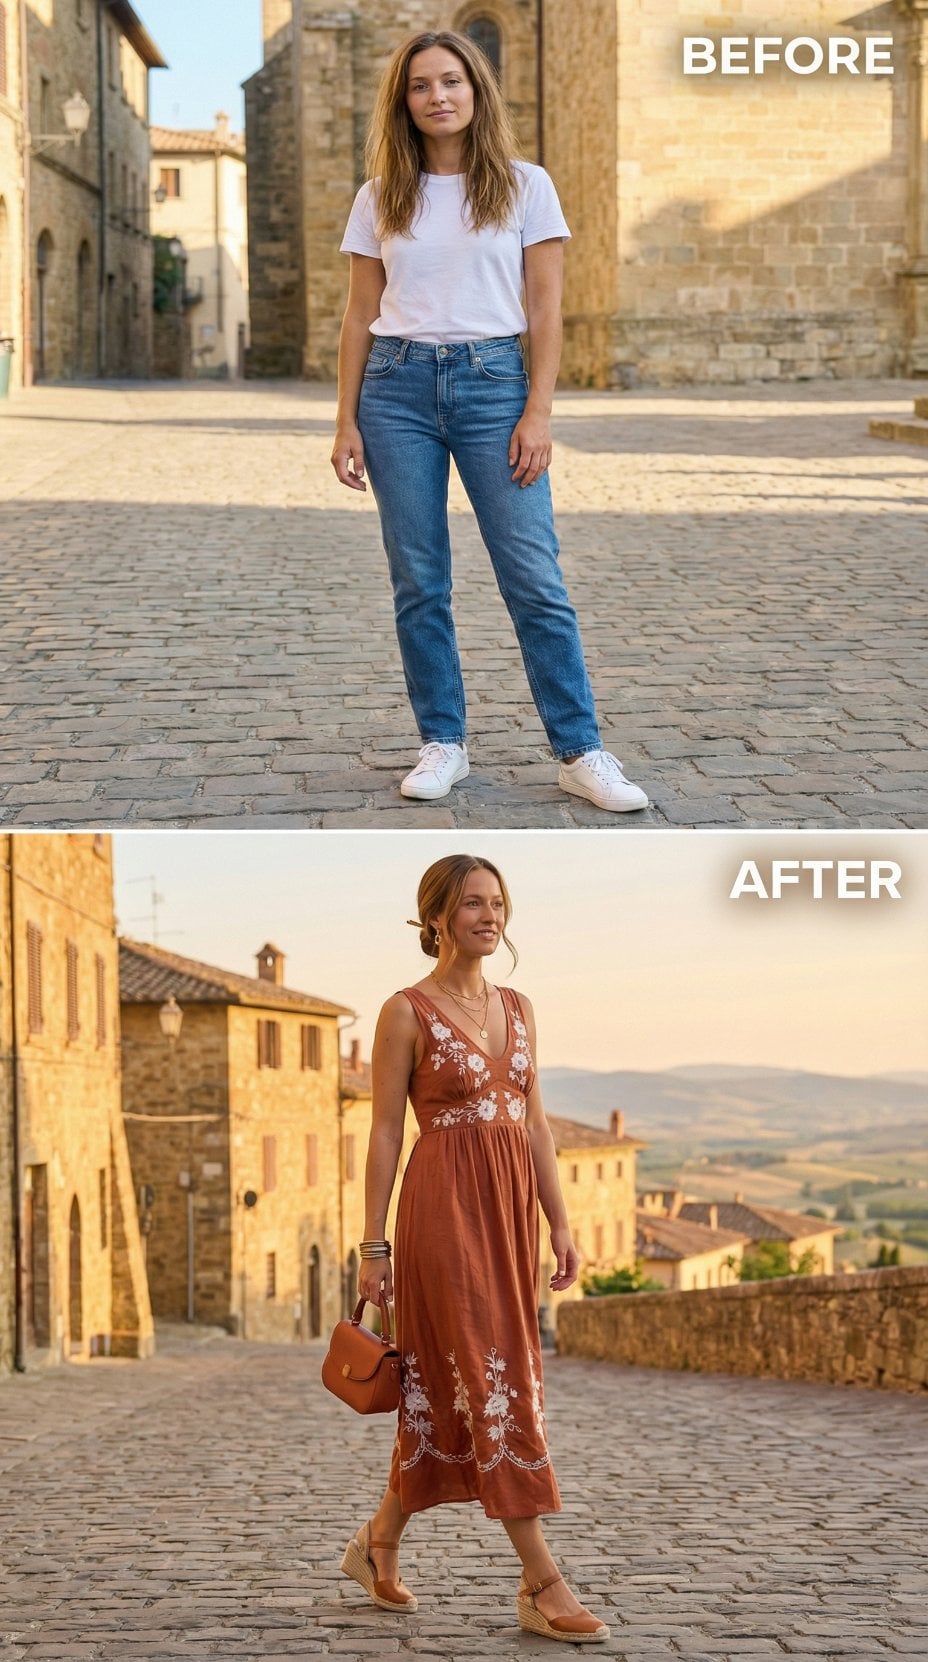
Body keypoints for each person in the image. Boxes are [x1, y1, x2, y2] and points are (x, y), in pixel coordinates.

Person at [331, 29, 649, 815]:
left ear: (477, 90)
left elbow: (545, 307)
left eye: (451, 81)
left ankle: (580, 751)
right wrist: (345, 421)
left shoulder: (523, 185)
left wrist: (538, 410)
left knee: (534, 578)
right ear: (402, 102)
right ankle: (443, 741)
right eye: (420, 86)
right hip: (395, 389)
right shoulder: (379, 196)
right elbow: (358, 314)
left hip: (494, 386)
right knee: (419, 579)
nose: (437, 96)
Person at [340, 853, 609, 1643]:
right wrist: (373, 1244)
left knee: (465, 1385)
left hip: (507, 1219)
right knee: (494, 1385)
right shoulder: (404, 1011)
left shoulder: (521, 1008)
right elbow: (386, 1130)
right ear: (436, 920)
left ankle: (376, 1542)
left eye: (498, 905)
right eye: (472, 906)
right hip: (441, 1214)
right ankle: (542, 1580)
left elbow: (534, 1125)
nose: (490, 917)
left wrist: (557, 1221)